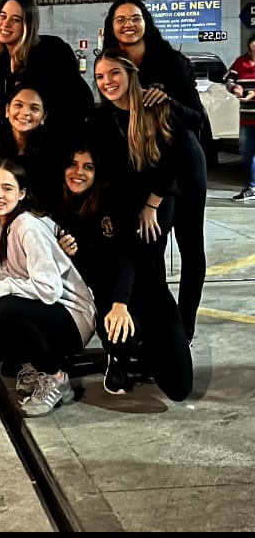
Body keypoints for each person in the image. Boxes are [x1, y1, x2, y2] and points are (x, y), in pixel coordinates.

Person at [102, 0, 208, 342]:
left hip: (182, 163)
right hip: (143, 167)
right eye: (120, 19)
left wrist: (170, 103)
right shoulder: (110, 63)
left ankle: (185, 326)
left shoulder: (170, 62)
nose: (127, 25)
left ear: (146, 21)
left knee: (190, 246)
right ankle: (158, 324)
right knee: (150, 250)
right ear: (111, 26)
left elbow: (198, 120)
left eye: (134, 18)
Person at [54, 142, 192, 402]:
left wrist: (121, 302)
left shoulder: (112, 199)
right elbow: (84, 271)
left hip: (144, 288)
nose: (78, 172)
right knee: (122, 332)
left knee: (179, 388)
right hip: (105, 293)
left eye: (88, 167)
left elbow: (127, 255)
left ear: (97, 173)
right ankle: (118, 358)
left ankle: (145, 349)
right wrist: (69, 254)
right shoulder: (59, 208)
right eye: (72, 164)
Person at [0, 158, 96, 418]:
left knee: (3, 306)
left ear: (22, 193)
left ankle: (57, 378)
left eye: (7, 188)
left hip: (72, 317)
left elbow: (49, 289)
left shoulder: (26, 225)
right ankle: (34, 365)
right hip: (46, 312)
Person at [88, 50, 184, 288]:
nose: (107, 82)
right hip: (121, 200)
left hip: (156, 197)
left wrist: (151, 207)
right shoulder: (99, 119)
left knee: (148, 261)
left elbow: (172, 162)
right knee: (125, 262)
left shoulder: (155, 107)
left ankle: (162, 320)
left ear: (131, 74)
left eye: (114, 73)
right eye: (100, 77)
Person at [0, 0, 93, 139]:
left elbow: (81, 102)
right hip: (18, 143)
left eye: (16, 20)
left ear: (28, 24)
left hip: (56, 142)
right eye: (3, 16)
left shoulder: (52, 50)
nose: (5, 24)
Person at [0, 81, 61, 213]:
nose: (25, 112)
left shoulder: (52, 151)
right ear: (7, 110)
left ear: (43, 117)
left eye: (34, 108)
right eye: (18, 105)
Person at [224, 31, 255, 201]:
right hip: (247, 117)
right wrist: (234, 87)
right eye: (253, 42)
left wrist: (253, 94)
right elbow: (228, 79)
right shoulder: (240, 62)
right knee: (248, 153)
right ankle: (252, 187)